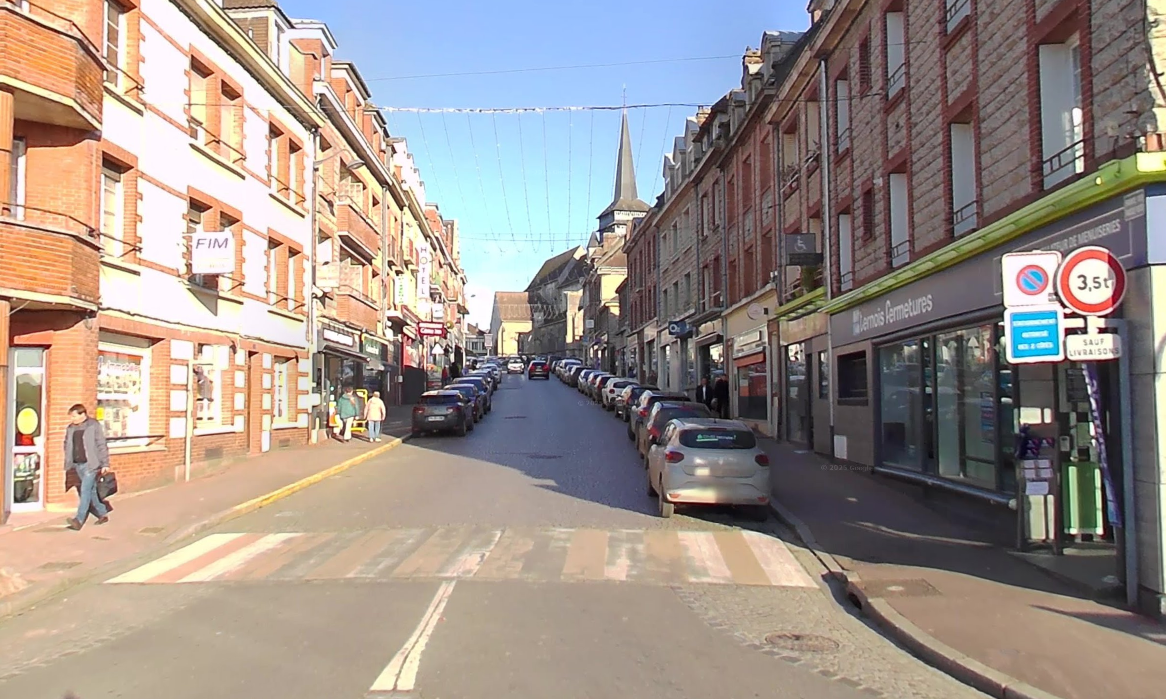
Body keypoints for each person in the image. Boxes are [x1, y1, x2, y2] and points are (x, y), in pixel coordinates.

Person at [62, 404, 109, 530]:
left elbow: (101, 444)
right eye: (71, 416)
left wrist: (105, 463)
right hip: (78, 464)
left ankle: (79, 520)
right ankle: (102, 512)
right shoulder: (71, 428)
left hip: (91, 464)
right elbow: (66, 443)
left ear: (82, 414)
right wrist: (68, 460)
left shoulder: (93, 425)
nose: (72, 419)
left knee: (85, 490)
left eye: (74, 416)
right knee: (91, 490)